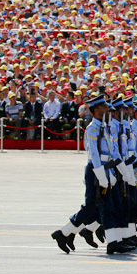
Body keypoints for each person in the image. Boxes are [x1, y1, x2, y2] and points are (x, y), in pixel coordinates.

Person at [50, 93, 122, 254]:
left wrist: (110, 172)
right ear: (95, 110)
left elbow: (109, 153)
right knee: (90, 206)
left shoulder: (103, 127)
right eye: (103, 107)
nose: (106, 110)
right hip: (95, 170)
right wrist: (101, 175)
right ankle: (63, 233)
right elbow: (94, 154)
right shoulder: (92, 128)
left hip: (104, 168)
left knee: (107, 206)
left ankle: (112, 242)